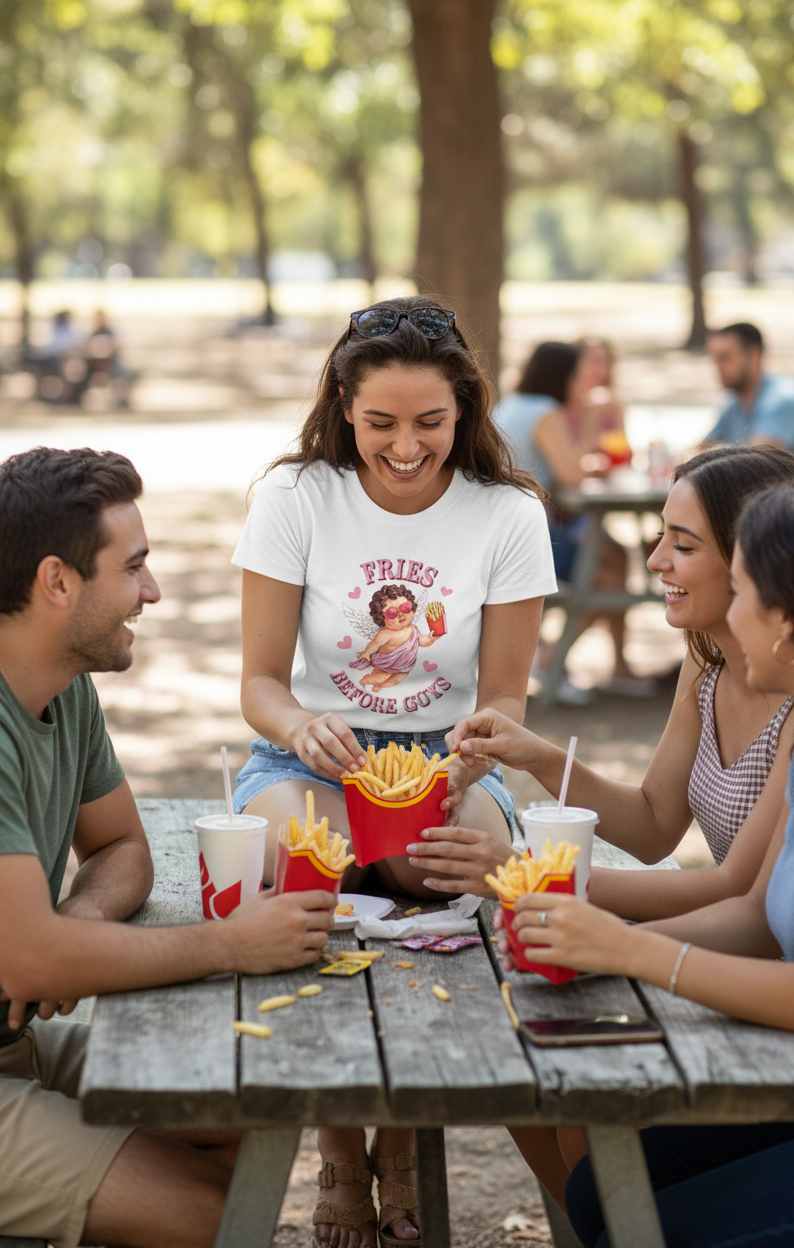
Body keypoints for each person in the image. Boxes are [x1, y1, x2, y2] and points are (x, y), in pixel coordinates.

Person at [230, 295, 556, 1248]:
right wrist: (300, 726)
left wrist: (460, 768)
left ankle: (405, 1140)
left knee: (453, 877)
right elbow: (257, 682)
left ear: (466, 409)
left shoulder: (508, 514)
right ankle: (338, 1147)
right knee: (303, 861)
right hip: (311, 750)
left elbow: (506, 701)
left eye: (431, 423)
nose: (407, 447)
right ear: (341, 403)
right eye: (380, 424)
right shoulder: (294, 497)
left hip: (449, 758)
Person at [435, 445, 794, 1206]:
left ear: (751, 563)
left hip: (769, 976)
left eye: (682, 543)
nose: (653, 558)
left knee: (585, 1108)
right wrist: (539, 756)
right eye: (660, 535)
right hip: (734, 949)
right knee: (535, 1088)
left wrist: (533, 879)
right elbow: (651, 826)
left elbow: (745, 893)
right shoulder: (706, 663)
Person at [0, 447, 334, 1248]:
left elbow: (123, 848)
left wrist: (78, 922)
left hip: (16, 1042)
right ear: (57, 582)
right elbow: (28, 964)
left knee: (245, 1103)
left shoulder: (63, 685)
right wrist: (230, 943)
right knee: (221, 1216)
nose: (151, 592)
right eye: (135, 568)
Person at [494, 340, 647, 705]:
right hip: (522, 541)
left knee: (614, 556)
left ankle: (611, 668)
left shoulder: (514, 404)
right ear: (563, 376)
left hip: (505, 532)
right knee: (609, 573)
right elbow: (574, 475)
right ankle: (550, 661)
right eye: (579, 374)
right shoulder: (545, 410)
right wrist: (591, 416)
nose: (584, 382)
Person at [705, 321, 794, 476]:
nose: (717, 367)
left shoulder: (784, 399)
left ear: (754, 356)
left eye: (725, 358)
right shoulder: (734, 402)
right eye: (715, 358)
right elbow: (703, 448)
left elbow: (751, 465)